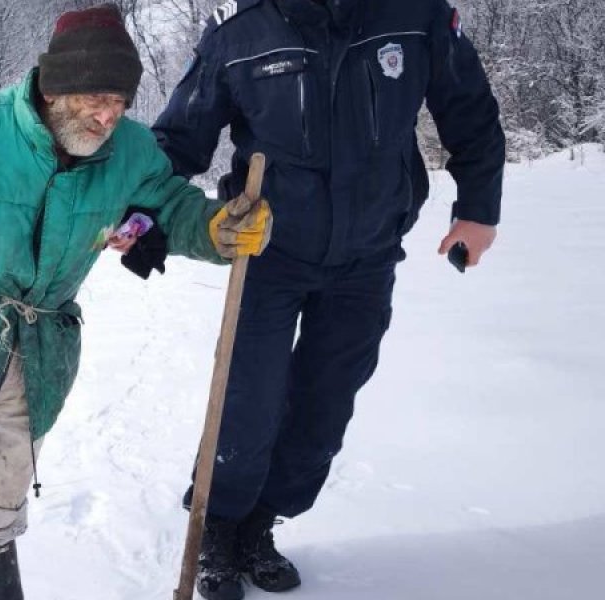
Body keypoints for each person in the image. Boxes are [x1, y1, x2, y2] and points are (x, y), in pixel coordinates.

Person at [0, 4, 273, 599]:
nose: (108, 116)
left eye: (121, 103)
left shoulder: (128, 151)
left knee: (1, 499)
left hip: (42, 350)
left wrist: (217, 229)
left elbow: (169, 207)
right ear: (55, 86)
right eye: (97, 98)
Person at [151, 0, 505, 598]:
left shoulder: (415, 15)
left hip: (367, 255)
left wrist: (478, 208)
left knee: (324, 406)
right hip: (265, 255)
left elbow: (467, 107)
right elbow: (178, 139)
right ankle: (220, 526)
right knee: (248, 400)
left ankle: (261, 523)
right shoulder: (240, 29)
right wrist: (138, 216)